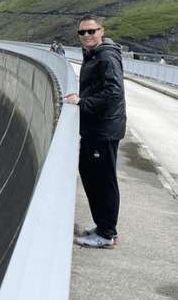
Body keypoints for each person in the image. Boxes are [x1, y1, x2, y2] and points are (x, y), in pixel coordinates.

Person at [64, 15, 126, 248]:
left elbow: (113, 93)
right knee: (92, 175)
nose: (87, 36)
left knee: (103, 180)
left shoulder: (106, 56)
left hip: (104, 129)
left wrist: (82, 103)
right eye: (82, 32)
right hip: (97, 128)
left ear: (102, 31)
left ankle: (106, 234)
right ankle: (103, 227)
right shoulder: (94, 54)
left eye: (91, 31)